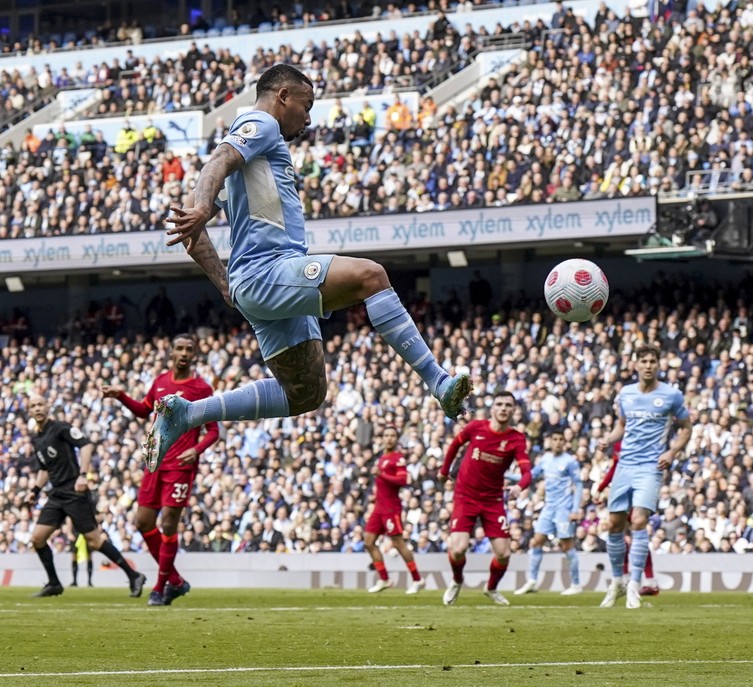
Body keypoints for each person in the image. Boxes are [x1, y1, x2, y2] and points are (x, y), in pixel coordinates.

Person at [146, 63, 470, 470]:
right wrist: (202, 210)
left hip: (263, 283)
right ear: (283, 96)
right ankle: (437, 380)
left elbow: (196, 227)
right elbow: (216, 163)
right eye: (307, 104)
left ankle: (188, 414)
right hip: (269, 272)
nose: (309, 116)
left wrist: (226, 285)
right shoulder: (260, 123)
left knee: (305, 394)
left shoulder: (254, 160)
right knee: (372, 276)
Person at [102, 333, 217, 606]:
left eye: (189, 349)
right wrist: (120, 396)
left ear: (195, 354)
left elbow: (213, 431)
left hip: (180, 467)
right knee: (142, 522)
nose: (184, 353)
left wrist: (196, 450)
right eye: (179, 348)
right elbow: (144, 411)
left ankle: (160, 586)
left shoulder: (202, 389)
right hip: (155, 461)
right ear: (172, 352)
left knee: (168, 525)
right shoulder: (160, 382)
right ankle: (176, 581)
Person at [596, 346, 692, 609]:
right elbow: (622, 426)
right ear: (635, 365)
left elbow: (686, 428)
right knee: (614, 524)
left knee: (638, 521)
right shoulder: (625, 394)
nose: (648, 365)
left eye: (652, 361)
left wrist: (672, 451)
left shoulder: (671, 395)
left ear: (658, 365)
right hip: (625, 465)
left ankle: (635, 586)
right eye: (643, 361)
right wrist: (608, 439)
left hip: (651, 467)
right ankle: (618, 582)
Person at [25, 394, 147, 598]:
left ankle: (134, 575)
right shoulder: (37, 438)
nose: (37, 408)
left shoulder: (61, 427)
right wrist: (34, 491)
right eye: (33, 406)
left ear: (47, 406)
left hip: (74, 491)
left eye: (40, 404)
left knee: (94, 541)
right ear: (29, 411)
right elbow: (45, 468)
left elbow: (86, 445)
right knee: (37, 539)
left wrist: (83, 475)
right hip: (56, 494)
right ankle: (54, 583)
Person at [439, 391, 531, 606]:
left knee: (504, 554)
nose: (503, 408)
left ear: (513, 410)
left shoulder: (516, 439)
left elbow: (527, 471)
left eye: (508, 405)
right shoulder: (476, 427)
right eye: (499, 404)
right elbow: (455, 445)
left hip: (492, 500)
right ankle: (457, 580)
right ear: (493, 408)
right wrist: (445, 471)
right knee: (458, 548)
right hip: (465, 495)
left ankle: (491, 588)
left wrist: (519, 486)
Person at [513, 431, 584, 596]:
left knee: (567, 546)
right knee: (536, 542)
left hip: (563, 510)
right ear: (550, 442)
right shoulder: (545, 459)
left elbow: (579, 485)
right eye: (555, 439)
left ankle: (576, 584)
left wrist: (574, 510)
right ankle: (532, 581)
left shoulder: (570, 462)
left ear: (564, 443)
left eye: (561, 439)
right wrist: (506, 476)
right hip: (548, 508)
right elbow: (530, 476)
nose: (558, 442)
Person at [364, 426, 425, 594]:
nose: (389, 438)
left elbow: (403, 479)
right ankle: (384, 579)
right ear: (382, 438)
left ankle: (418, 579)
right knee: (368, 542)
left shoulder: (397, 458)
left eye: (392, 436)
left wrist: (381, 474)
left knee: (399, 544)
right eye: (386, 435)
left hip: (391, 508)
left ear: (396, 439)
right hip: (379, 508)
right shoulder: (383, 457)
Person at [596, 443, 660, 596]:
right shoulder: (622, 439)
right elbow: (616, 468)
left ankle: (632, 579)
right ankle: (644, 580)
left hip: (635, 490)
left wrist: (601, 487)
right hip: (631, 489)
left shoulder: (629, 439)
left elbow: (616, 469)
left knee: (632, 534)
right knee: (630, 536)